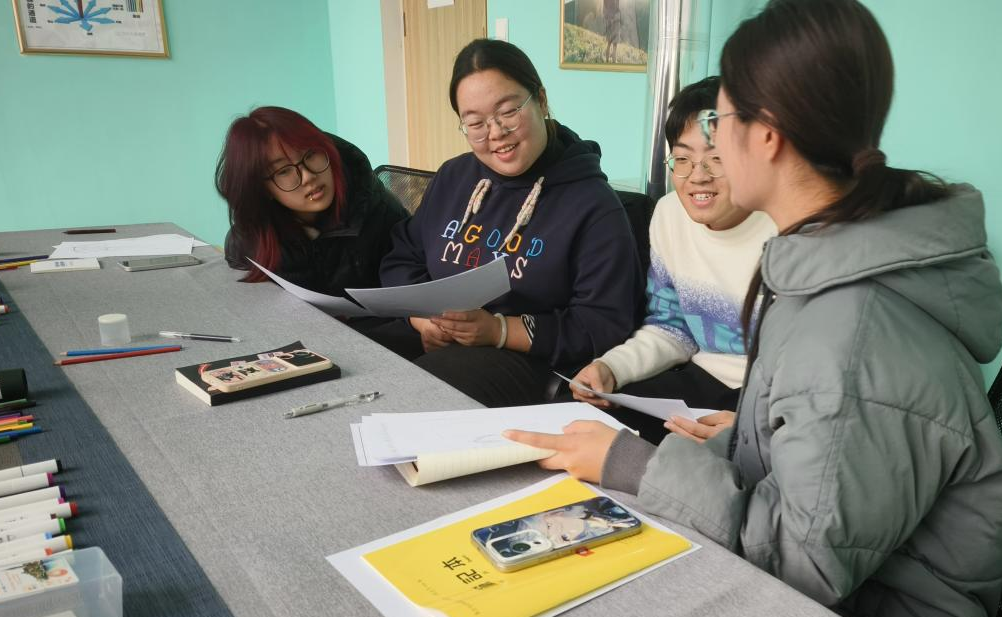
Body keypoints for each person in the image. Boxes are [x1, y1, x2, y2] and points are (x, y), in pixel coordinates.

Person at [505, 0, 1002, 617]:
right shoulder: (826, 260)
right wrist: (749, 438)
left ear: (767, 135)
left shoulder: (853, 330)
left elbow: (802, 566)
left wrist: (632, 464)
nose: (705, 156)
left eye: (720, 122)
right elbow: (826, 461)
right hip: (836, 591)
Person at [372, 39, 643, 407]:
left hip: (531, 362)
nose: (496, 132)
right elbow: (402, 257)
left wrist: (498, 331)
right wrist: (426, 321)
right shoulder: (454, 177)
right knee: (353, 363)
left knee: (413, 396)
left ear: (541, 100)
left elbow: (603, 325)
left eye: (508, 111)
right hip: (443, 343)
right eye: (475, 123)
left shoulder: (593, 205)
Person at [570, 76, 774, 445]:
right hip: (703, 379)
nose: (698, 177)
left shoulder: (785, 227)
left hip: (772, 397)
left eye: (717, 159)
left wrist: (756, 428)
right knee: (591, 424)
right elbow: (672, 326)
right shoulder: (669, 215)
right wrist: (611, 368)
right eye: (682, 159)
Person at [216, 106, 407, 295]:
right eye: (284, 171)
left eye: (311, 154)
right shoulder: (252, 235)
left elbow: (410, 283)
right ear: (261, 188)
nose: (308, 176)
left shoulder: (380, 212)